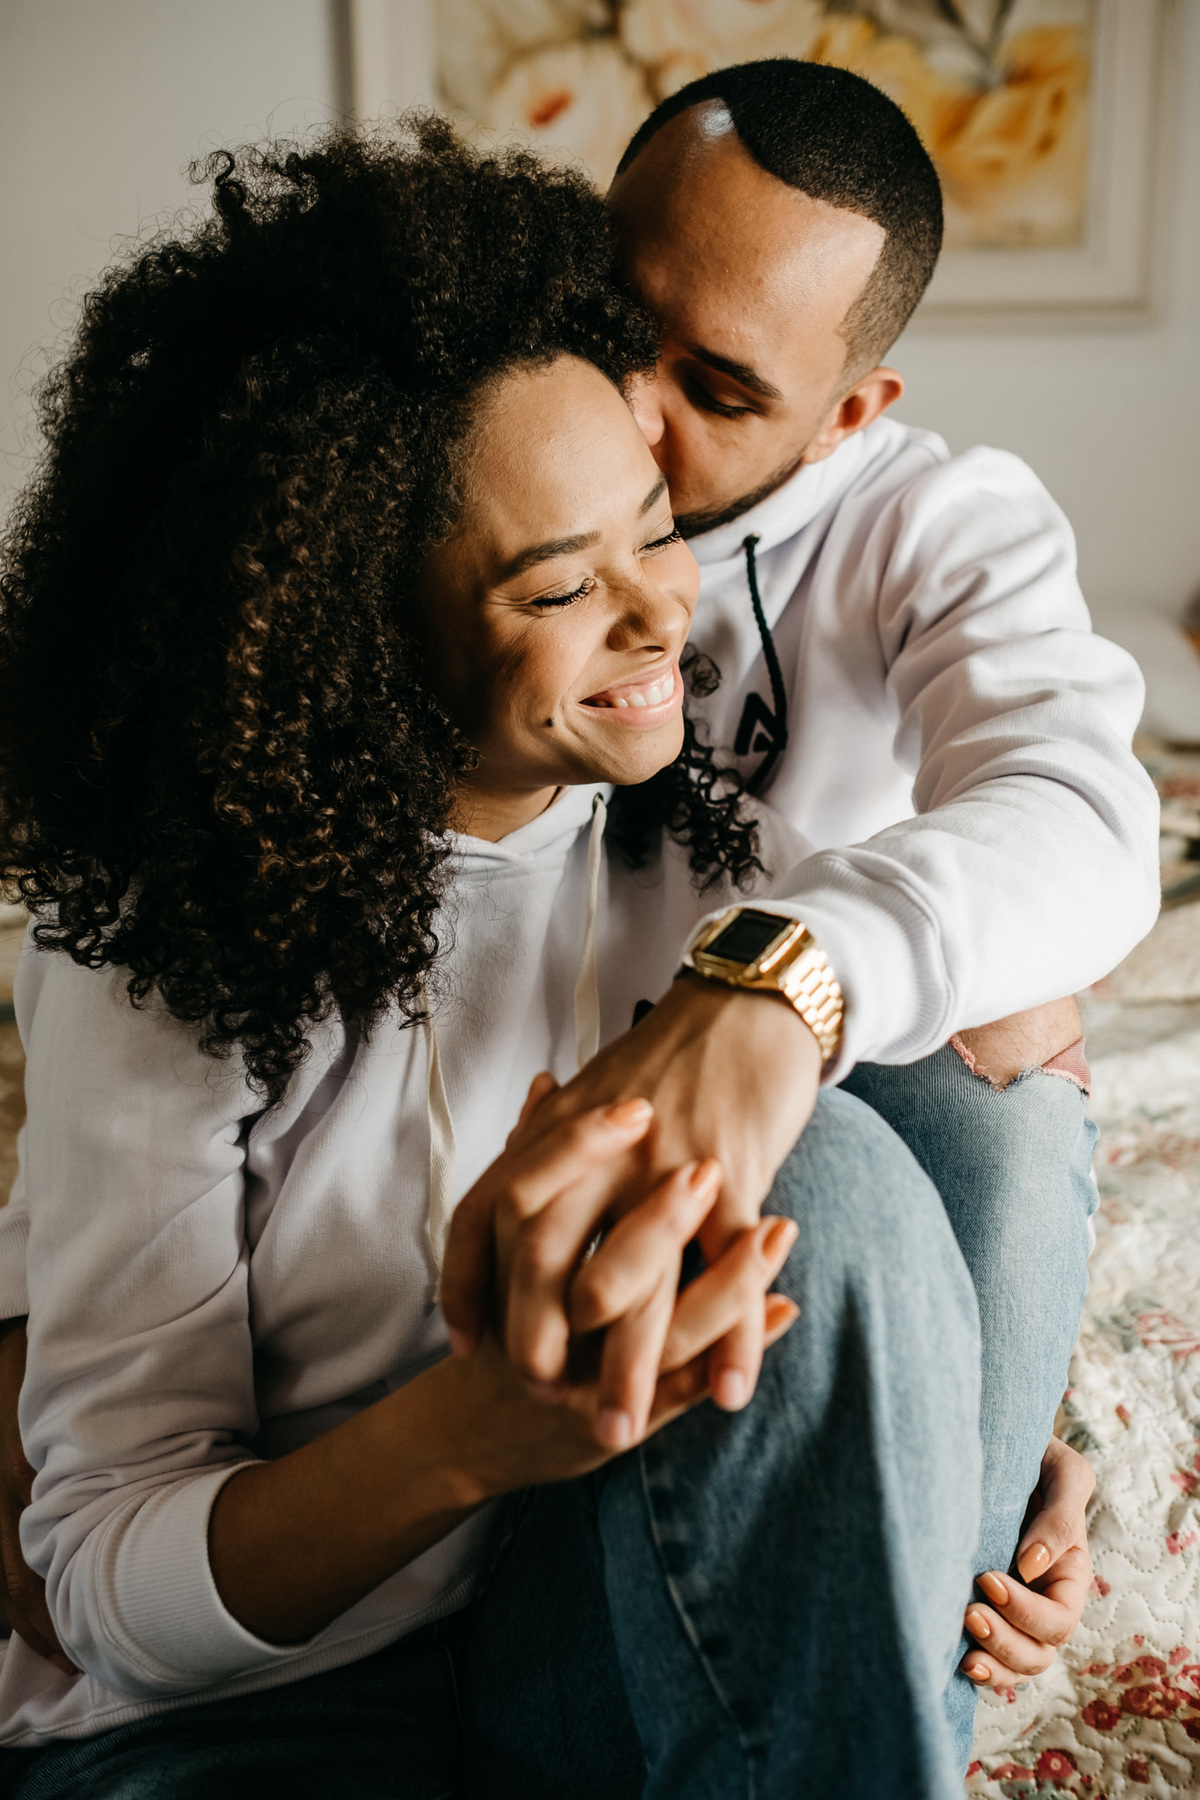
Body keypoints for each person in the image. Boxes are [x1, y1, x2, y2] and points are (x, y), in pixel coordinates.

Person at [0, 120, 1016, 1797]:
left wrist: (931, 1438)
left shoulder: (703, 828)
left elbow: (1042, 849)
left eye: (653, 526)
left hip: (579, 1601)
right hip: (260, 1703)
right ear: (350, 622)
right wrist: (478, 1435)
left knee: (939, 1130)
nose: (659, 616)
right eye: (558, 586)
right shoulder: (172, 948)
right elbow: (106, 1586)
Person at [434, 58, 1160, 1757]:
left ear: (849, 414)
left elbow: (1081, 811)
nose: (633, 400)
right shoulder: (458, 476)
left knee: (988, 1078)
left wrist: (785, 982)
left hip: (829, 1178)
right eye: (619, 313)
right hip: (543, 1176)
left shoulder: (935, 527)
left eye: (719, 386)